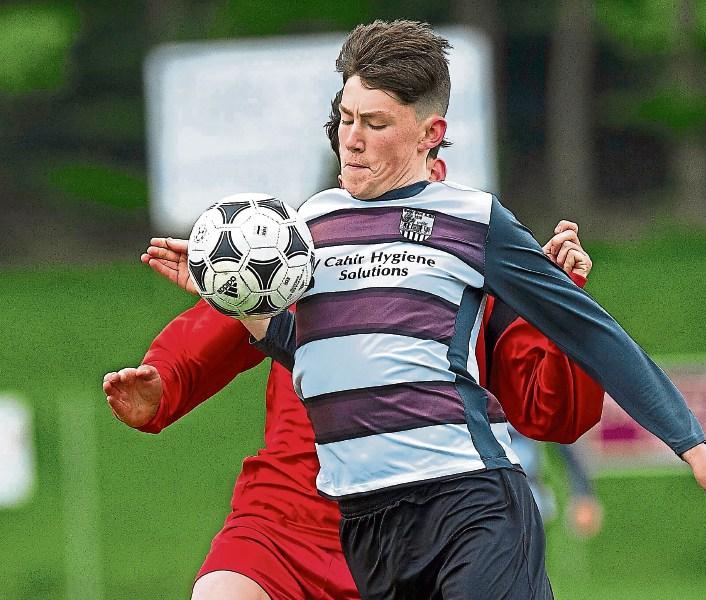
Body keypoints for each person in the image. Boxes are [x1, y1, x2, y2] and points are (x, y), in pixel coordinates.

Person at [220, 19, 706, 599]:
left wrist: (692, 445)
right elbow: (320, 359)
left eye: (375, 124)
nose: (351, 139)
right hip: (366, 525)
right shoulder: (311, 226)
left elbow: (591, 333)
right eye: (345, 119)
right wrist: (248, 309)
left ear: (431, 133)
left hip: (468, 505)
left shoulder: (473, 220)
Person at [106, 130, 604, 599]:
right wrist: (163, 381)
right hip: (285, 520)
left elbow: (553, 413)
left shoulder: (471, 283)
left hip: (419, 526)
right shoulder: (295, 259)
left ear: (439, 175)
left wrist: (557, 312)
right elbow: (220, 327)